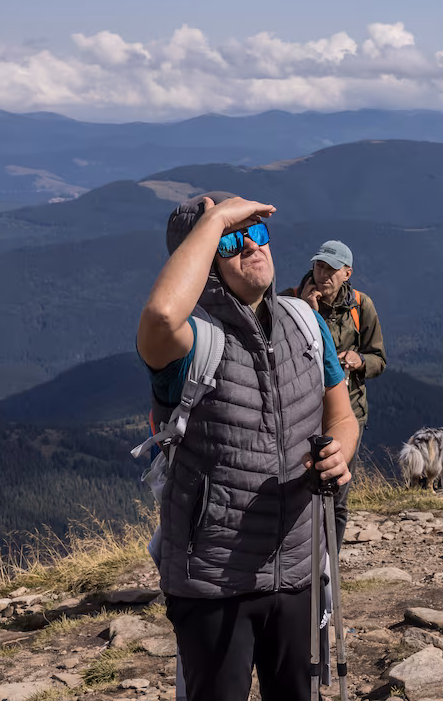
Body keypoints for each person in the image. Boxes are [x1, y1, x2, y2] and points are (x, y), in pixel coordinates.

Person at [137, 193, 358, 701]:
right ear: (202, 258)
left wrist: (340, 450)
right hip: (214, 581)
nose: (251, 247)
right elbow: (159, 317)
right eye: (231, 240)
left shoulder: (306, 323)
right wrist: (214, 219)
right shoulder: (191, 342)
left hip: (299, 567)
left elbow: (341, 415)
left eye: (256, 234)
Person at [285, 239, 386, 547]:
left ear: (347, 273)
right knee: (295, 493)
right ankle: (297, 565)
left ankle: (329, 567)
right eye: (319, 266)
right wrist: (306, 312)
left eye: (332, 269)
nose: (323, 275)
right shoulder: (289, 302)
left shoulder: (360, 306)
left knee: (337, 495)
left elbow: (379, 359)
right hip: (300, 413)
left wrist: (360, 361)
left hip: (347, 412)